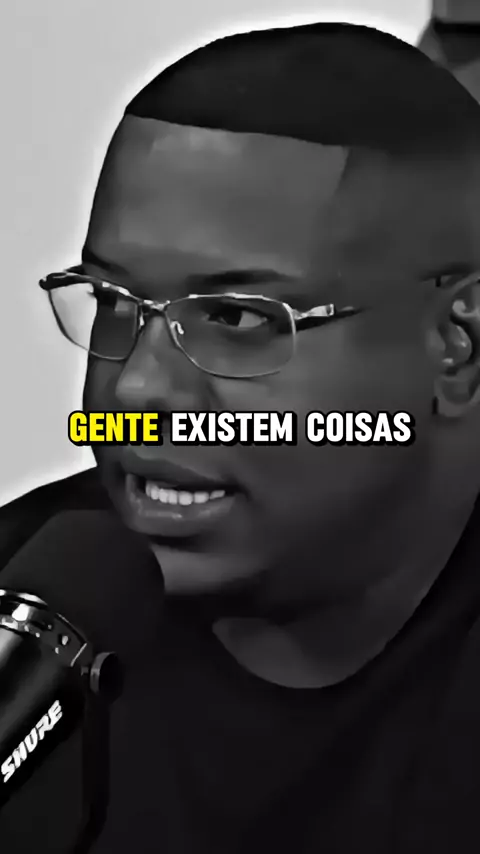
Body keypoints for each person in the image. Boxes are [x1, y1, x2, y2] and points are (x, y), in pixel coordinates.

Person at [2, 20, 480, 854]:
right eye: (114, 303)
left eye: (234, 318)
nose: (137, 389)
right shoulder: (24, 605)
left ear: (457, 346)